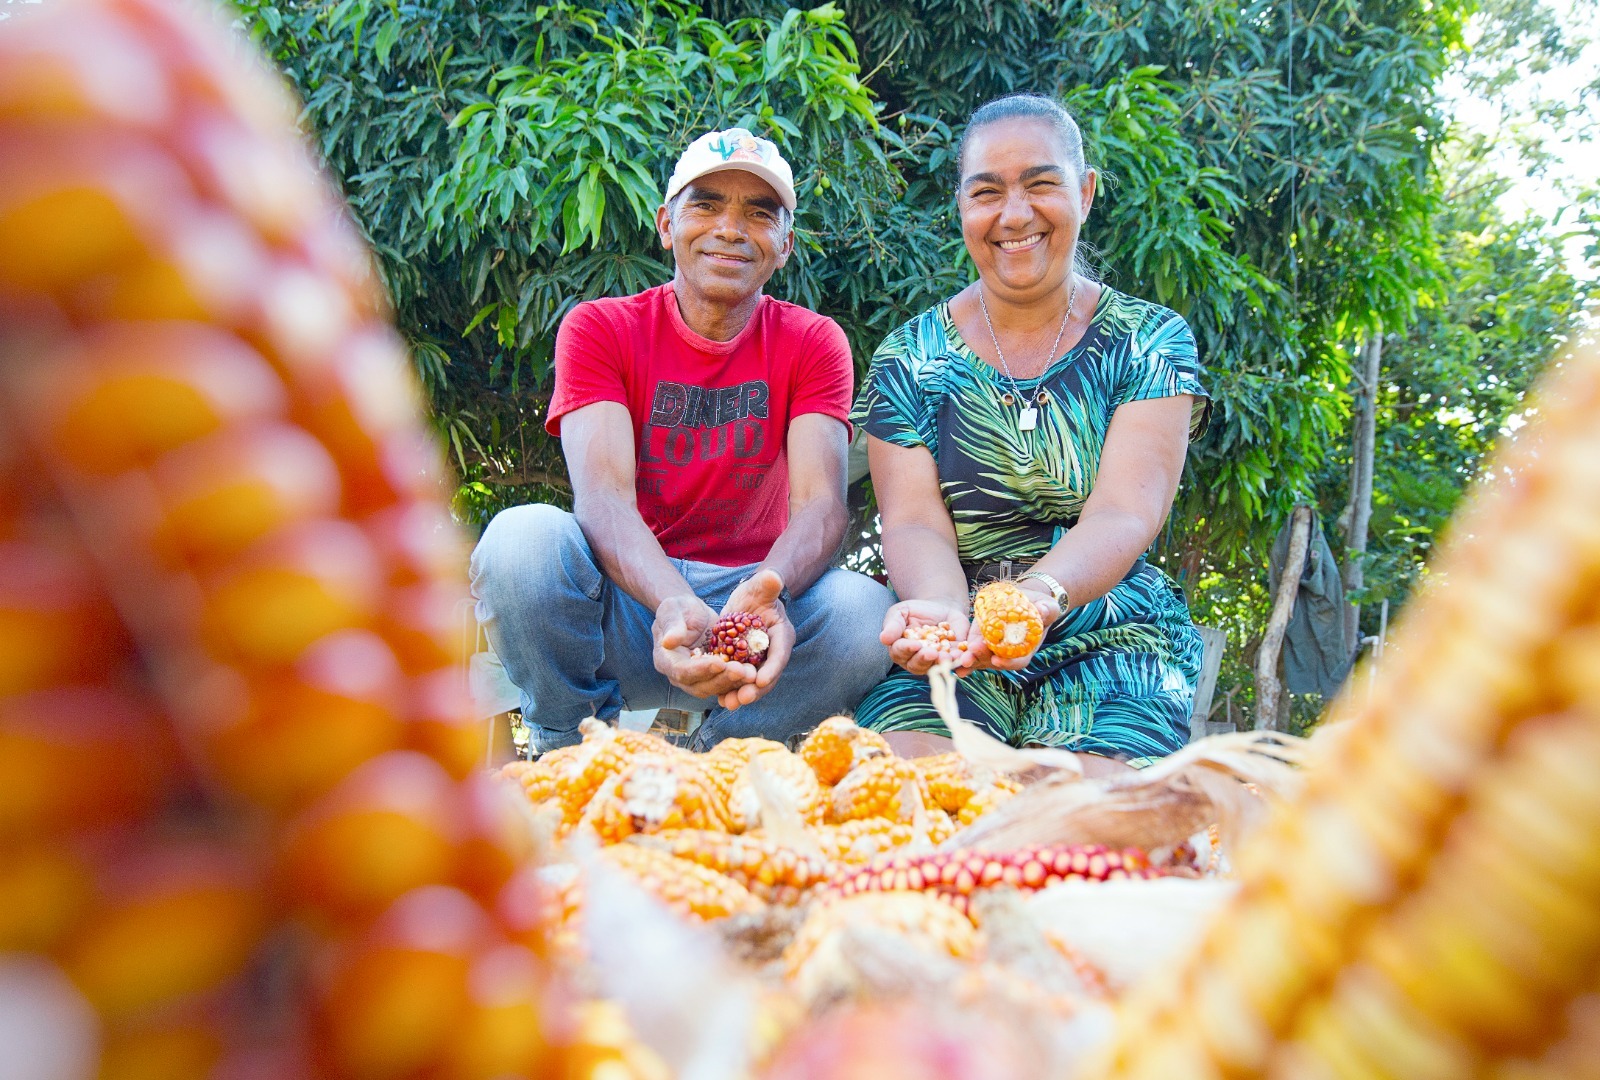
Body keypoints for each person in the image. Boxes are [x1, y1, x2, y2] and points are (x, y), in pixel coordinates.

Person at [471, 128, 893, 753]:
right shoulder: (601, 327)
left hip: (752, 606)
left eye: (759, 213)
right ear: (667, 225)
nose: (731, 229)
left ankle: (712, 762)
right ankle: (573, 750)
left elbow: (821, 504)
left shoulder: (813, 340)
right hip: (626, 605)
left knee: (865, 616)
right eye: (706, 205)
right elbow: (603, 498)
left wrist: (770, 589)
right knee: (521, 542)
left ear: (785, 245)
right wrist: (672, 600)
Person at [851, 93, 1209, 772]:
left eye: (1040, 184)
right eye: (987, 193)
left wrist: (1035, 599)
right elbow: (915, 522)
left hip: (1110, 625)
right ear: (961, 207)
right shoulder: (909, 358)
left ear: (1086, 192)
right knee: (909, 789)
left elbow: (1125, 512)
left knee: (1072, 808)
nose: (1014, 215)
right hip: (957, 635)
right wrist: (940, 612)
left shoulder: (1149, 340)